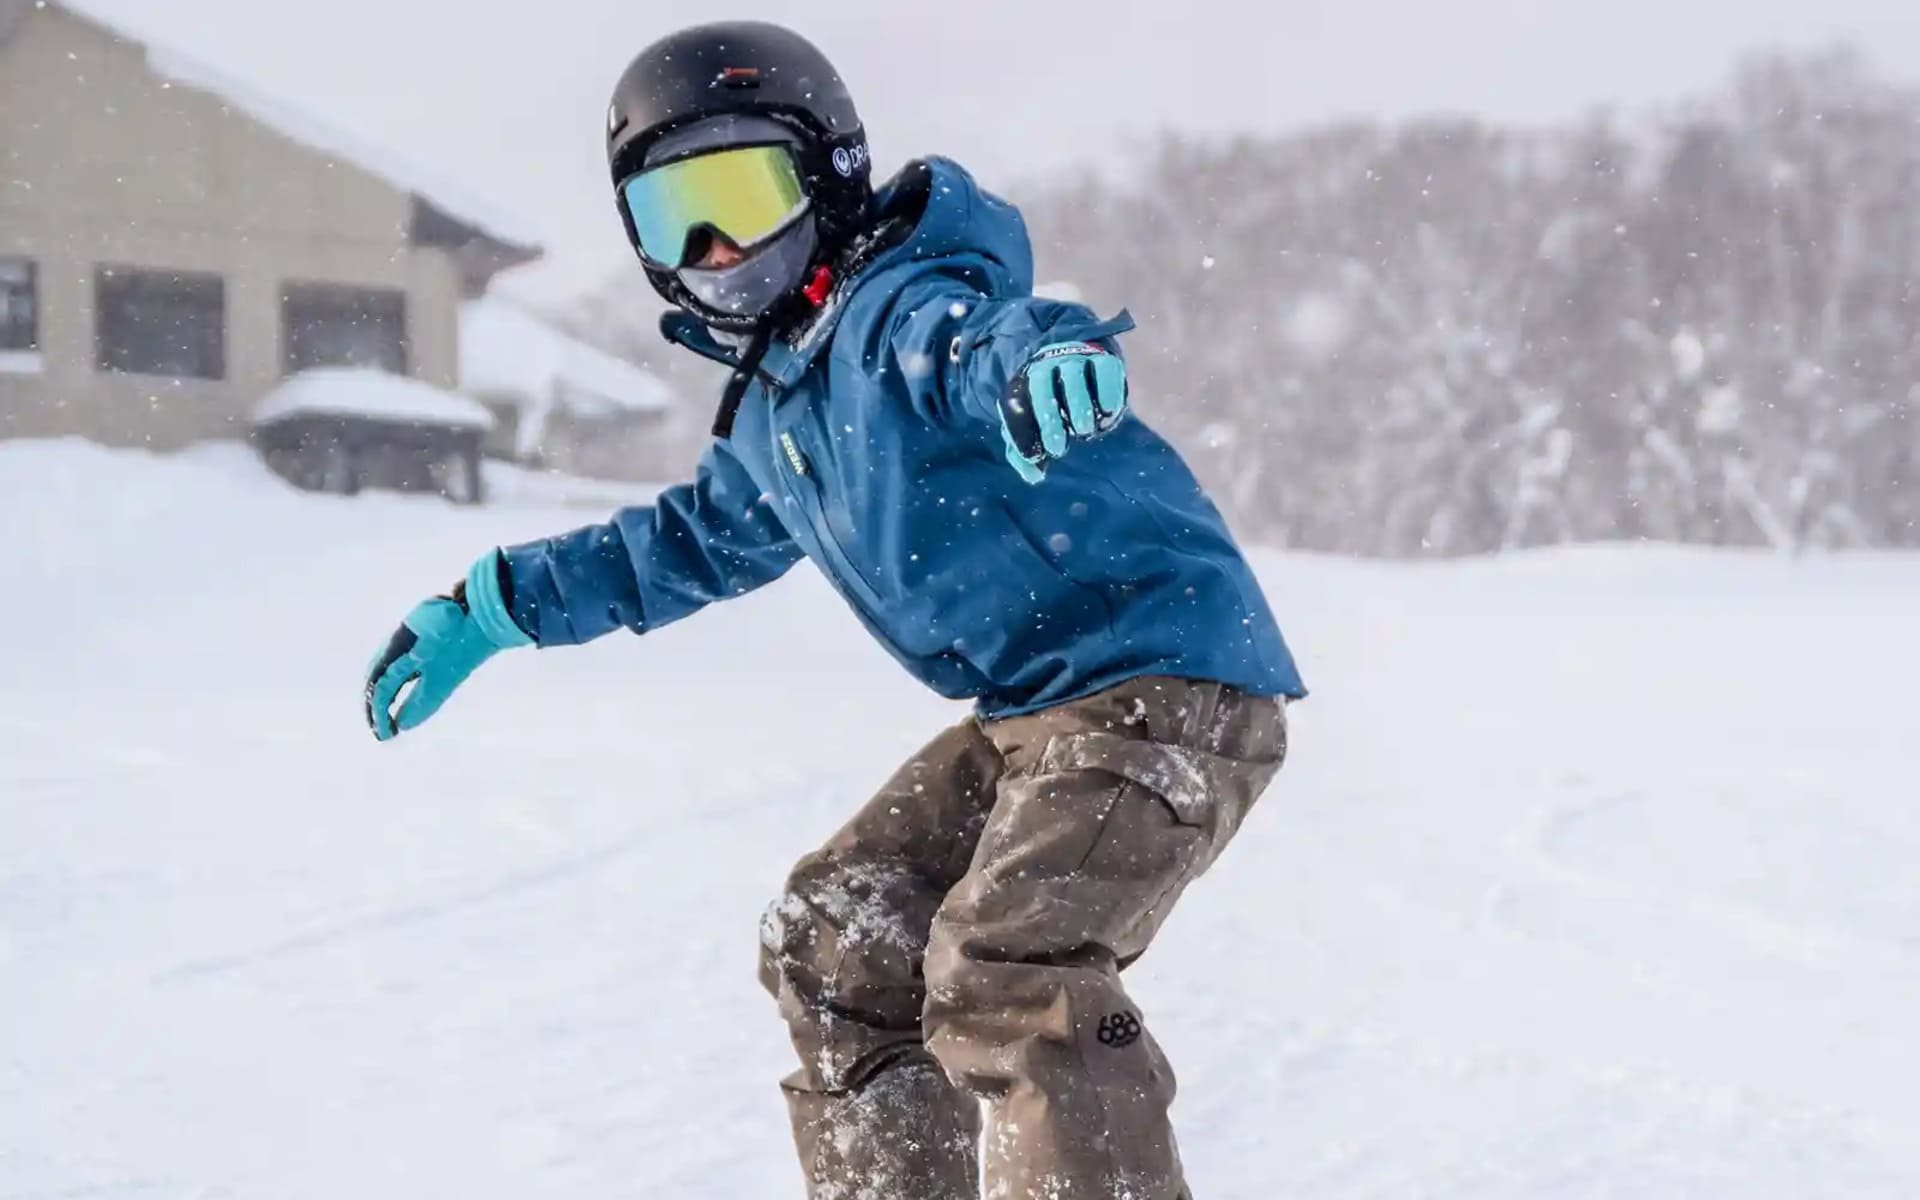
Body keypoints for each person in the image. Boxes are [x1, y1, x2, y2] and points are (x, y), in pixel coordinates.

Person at [363, 20, 1306, 1200]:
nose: (715, 249)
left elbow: (973, 339)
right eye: (674, 219)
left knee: (1011, 961)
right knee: (833, 939)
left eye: (742, 195)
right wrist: (499, 606)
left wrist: (1032, 362)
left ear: (829, 176)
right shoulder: (777, 415)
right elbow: (685, 543)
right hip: (1038, 715)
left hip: (1169, 687)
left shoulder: (895, 307)